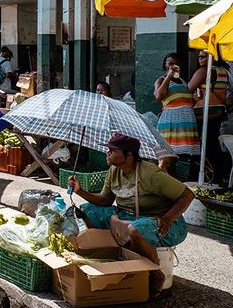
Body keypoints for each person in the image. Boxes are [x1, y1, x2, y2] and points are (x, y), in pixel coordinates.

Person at [69, 134, 194, 297]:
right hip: (127, 216)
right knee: (87, 211)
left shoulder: (150, 173)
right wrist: (80, 191)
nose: (108, 153)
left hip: (164, 222)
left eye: (112, 150)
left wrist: (167, 219)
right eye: (108, 150)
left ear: (129, 155)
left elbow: (188, 195)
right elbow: (106, 200)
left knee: (134, 230)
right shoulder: (113, 171)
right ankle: (113, 255)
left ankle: (156, 273)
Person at [154, 53, 200, 175]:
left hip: (185, 124)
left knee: (181, 158)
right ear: (165, 65)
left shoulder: (183, 81)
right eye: (170, 63)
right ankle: (166, 184)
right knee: (167, 158)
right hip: (171, 124)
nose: (173, 66)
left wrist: (195, 99)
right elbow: (159, 96)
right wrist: (169, 75)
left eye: (175, 63)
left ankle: (176, 185)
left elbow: (185, 101)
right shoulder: (161, 80)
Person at [188, 51, 230, 181]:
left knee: (204, 146)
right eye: (199, 56)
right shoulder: (223, 70)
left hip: (205, 114)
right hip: (218, 112)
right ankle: (217, 175)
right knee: (213, 145)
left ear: (212, 56)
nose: (200, 59)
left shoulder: (203, 71)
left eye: (204, 56)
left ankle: (205, 176)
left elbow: (186, 89)